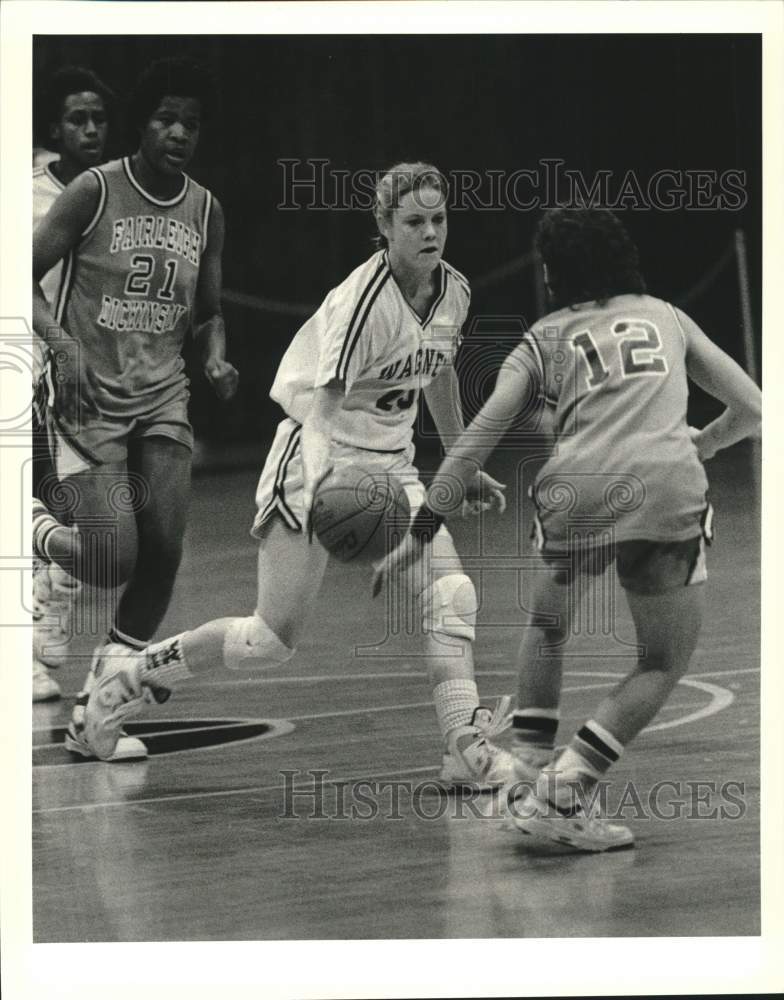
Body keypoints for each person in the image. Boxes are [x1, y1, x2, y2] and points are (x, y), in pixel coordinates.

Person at [73, 162, 516, 789]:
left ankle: (465, 747)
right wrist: (325, 487)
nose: (430, 233)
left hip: (390, 468)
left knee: (452, 596)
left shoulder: (455, 291)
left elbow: (437, 369)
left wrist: (457, 462)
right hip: (316, 458)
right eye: (414, 221)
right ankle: (128, 680)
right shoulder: (363, 304)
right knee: (268, 641)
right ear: (384, 226)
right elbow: (321, 414)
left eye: (438, 219)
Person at [376, 206, 762, 851]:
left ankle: (526, 771)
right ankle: (566, 790)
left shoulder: (544, 336)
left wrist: (420, 530)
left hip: (573, 490)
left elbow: (477, 438)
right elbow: (751, 405)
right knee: (661, 660)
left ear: (552, 271)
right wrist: (707, 444)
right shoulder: (665, 314)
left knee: (548, 630)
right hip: (665, 490)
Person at [32, 57, 238, 756]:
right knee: (112, 557)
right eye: (165, 119)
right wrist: (60, 342)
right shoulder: (93, 191)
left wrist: (212, 354)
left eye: (192, 122)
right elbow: (18, 276)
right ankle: (37, 535)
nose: (179, 132)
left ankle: (96, 712)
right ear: (142, 125)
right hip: (90, 397)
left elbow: (208, 311)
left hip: (162, 397)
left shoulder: (205, 207)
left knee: (164, 550)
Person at [32, 66, 114, 703]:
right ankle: (30, 643)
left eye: (98, 118)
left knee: (89, 524)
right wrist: (56, 344)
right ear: (53, 127)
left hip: (91, 381)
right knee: (34, 506)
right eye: (76, 119)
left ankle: (55, 595)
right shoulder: (26, 190)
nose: (89, 129)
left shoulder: (112, 195)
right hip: (26, 367)